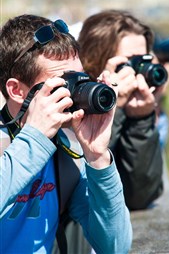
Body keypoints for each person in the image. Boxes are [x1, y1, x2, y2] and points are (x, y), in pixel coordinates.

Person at [0, 14, 132, 253]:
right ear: (17, 90)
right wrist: (35, 138)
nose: (73, 93)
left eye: (79, 78)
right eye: (62, 83)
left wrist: (97, 157)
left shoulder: (65, 156)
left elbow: (115, 246)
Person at [78, 9, 164, 210]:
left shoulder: (134, 107)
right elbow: (83, 188)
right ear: (95, 63)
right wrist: (109, 108)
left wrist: (141, 119)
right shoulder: (73, 110)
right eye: (129, 62)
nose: (138, 71)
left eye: (142, 60)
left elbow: (141, 196)